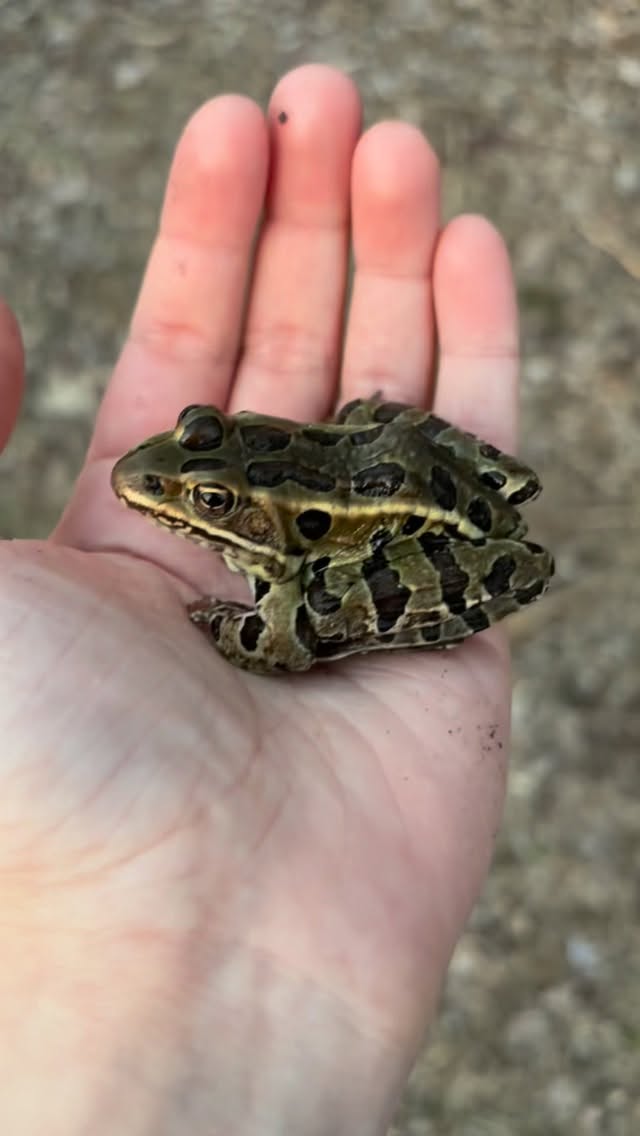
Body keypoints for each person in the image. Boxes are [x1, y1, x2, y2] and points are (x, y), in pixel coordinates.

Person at [0, 64, 519, 1133]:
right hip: (417, 471)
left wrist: (247, 634)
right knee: (370, 427)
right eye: (199, 454)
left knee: (316, 609)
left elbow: (278, 642)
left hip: (436, 538)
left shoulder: (278, 567)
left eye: (203, 496)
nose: (160, 481)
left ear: (240, 518)